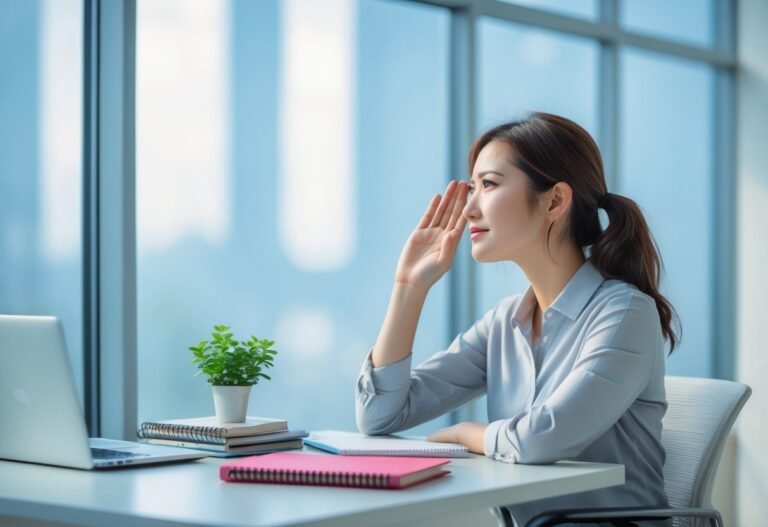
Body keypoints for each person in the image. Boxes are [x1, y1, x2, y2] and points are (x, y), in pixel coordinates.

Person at [355, 112, 678, 526]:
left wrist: (462, 434)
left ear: (555, 201)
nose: (469, 208)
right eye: (472, 188)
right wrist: (409, 288)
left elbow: (541, 439)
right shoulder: (505, 322)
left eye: (487, 185)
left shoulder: (624, 313)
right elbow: (380, 415)